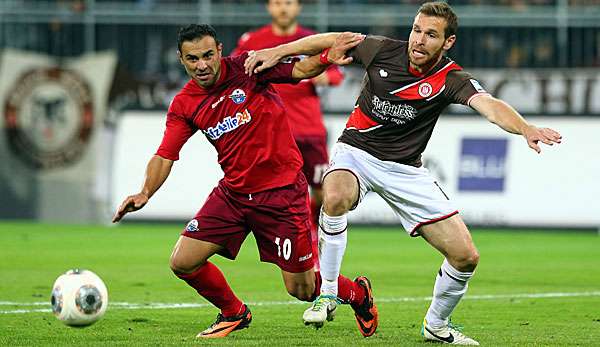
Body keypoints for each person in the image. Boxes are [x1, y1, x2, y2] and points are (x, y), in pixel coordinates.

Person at [244, 1, 562, 344]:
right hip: (357, 153)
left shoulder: (451, 78)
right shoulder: (381, 50)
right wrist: (277, 51)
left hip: (405, 171)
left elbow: (491, 106)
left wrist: (525, 127)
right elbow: (329, 39)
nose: (419, 40)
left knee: (465, 257)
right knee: (333, 195)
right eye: (416, 30)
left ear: (448, 42)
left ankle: (436, 325)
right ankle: (329, 293)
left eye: (431, 35)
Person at [111, 24, 377, 339]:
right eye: (193, 58)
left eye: (208, 55)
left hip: (281, 194)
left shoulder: (249, 68)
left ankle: (359, 295)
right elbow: (165, 154)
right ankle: (234, 312)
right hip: (234, 194)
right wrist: (145, 192)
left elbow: (301, 69)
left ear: (220, 51)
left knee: (302, 290)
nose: (202, 65)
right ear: (182, 61)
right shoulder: (185, 104)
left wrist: (326, 57)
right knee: (183, 261)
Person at [231, 0, 345, 271]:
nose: (283, 8)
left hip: (309, 131)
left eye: (289, 3)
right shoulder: (253, 40)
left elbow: (337, 73)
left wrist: (324, 78)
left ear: (298, 8)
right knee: (278, 192)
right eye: (278, 3)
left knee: (322, 192)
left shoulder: (310, 40)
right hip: (272, 133)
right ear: (270, 7)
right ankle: (300, 245)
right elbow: (235, 72)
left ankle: (314, 235)